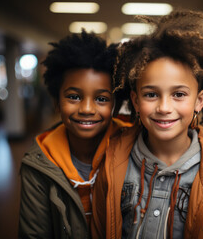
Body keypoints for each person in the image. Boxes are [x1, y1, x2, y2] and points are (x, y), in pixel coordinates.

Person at [91, 10, 203, 239]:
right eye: (151, 95)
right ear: (135, 101)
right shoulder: (111, 160)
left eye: (178, 94)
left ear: (200, 101)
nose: (164, 107)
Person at [18, 30, 131, 238]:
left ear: (115, 106)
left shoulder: (135, 149)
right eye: (74, 97)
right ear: (56, 102)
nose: (87, 109)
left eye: (102, 99)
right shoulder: (38, 165)